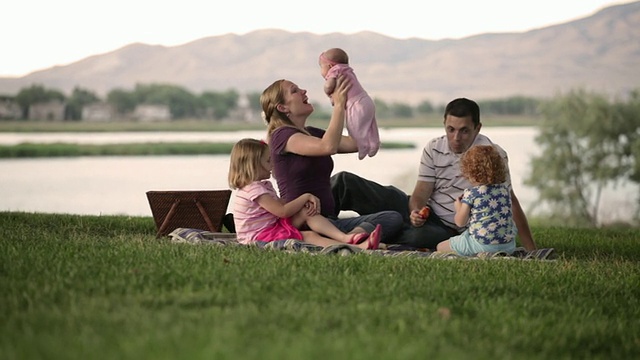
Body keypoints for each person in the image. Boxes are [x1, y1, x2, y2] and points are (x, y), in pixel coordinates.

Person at [331, 97, 537, 251]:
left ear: (477, 128)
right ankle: (310, 224)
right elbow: (421, 193)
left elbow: (509, 200)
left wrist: (530, 249)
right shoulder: (434, 147)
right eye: (451, 129)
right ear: (444, 125)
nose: (456, 137)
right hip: (427, 214)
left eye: (464, 130)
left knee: (420, 238)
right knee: (346, 182)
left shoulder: (492, 155)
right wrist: (416, 212)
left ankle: (368, 234)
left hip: (452, 229)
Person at [260, 77, 403, 244]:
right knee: (392, 222)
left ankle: (352, 238)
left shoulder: (311, 132)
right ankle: (349, 239)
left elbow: (355, 143)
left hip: (329, 221)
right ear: (282, 107)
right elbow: (328, 147)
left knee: (391, 218)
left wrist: (358, 105)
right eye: (294, 91)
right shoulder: (281, 135)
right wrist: (339, 106)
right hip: (307, 221)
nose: (303, 91)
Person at [228, 138, 382, 250]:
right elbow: (282, 212)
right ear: (253, 165)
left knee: (306, 211)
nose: (272, 165)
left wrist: (303, 204)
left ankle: (346, 238)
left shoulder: (261, 185)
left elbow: (280, 204)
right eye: (268, 161)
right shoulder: (255, 190)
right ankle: (356, 247)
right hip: (259, 237)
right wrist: (305, 196)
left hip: (270, 228)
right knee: (308, 236)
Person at [436, 145, 517, 255]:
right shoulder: (504, 190)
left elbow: (460, 222)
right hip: (509, 245)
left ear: (470, 172)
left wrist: (458, 207)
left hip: (481, 245)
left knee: (440, 247)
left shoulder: (472, 193)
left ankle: (480, 253)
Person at [319, 48, 380, 160]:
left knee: (354, 129)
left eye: (321, 67)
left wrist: (327, 90)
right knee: (370, 125)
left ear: (329, 66)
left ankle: (363, 147)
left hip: (355, 104)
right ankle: (374, 143)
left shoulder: (335, 71)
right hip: (366, 100)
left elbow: (329, 86)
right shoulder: (347, 70)